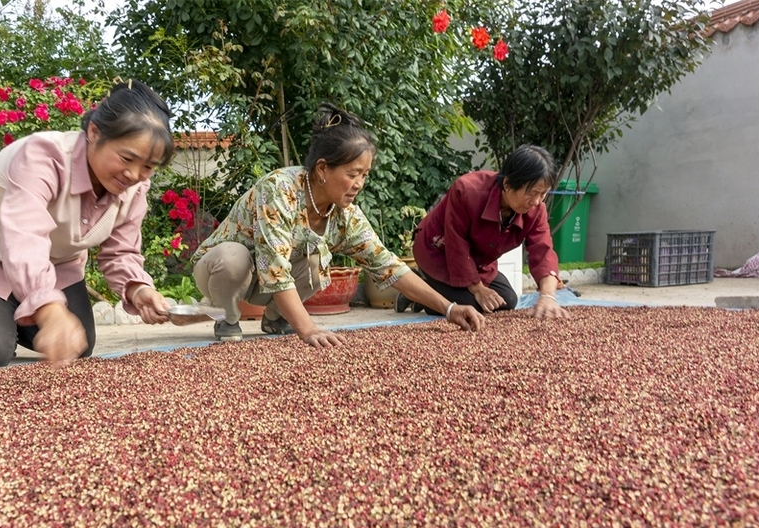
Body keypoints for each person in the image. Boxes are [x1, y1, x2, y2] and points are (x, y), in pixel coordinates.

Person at [190, 102, 485, 347]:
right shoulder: (279, 190)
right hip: (221, 271)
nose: (359, 184)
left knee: (318, 261)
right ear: (322, 169)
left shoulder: (345, 215)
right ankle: (228, 319)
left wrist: (448, 308)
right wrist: (308, 329)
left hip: (265, 283)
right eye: (353, 173)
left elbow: (389, 266)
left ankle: (277, 317)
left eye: (365, 175)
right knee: (233, 258)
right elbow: (275, 268)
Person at [0, 80, 175, 367]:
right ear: (94, 132)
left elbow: (121, 251)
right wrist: (50, 311)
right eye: (127, 158)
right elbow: (25, 238)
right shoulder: (43, 157)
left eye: (148, 166)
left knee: (79, 345)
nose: (134, 174)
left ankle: (7, 307)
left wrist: (138, 290)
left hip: (57, 265)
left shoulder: (134, 188)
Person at [404, 144, 570, 320]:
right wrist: (477, 288)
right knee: (469, 303)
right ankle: (420, 288)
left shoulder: (536, 210)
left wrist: (547, 296)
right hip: (438, 251)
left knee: (508, 301)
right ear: (507, 184)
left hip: (477, 262)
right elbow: (456, 242)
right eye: (532, 193)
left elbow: (543, 250)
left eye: (543, 194)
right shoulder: (467, 191)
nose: (536, 201)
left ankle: (421, 295)